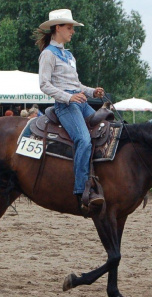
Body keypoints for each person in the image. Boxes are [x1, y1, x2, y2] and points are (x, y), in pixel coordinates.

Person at [36, 8, 105, 209]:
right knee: (83, 140)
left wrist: (93, 92)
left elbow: (77, 85)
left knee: (106, 130)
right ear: (58, 28)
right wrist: (69, 97)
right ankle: (81, 189)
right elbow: (44, 84)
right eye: (69, 28)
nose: (72, 32)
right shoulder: (48, 54)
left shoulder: (68, 55)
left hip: (80, 103)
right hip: (65, 106)